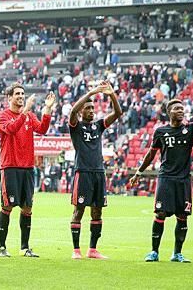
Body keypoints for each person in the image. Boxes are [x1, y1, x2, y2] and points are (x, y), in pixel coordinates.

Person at [129, 86, 193, 263]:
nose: (181, 111)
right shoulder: (161, 131)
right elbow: (151, 154)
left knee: (182, 217)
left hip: (183, 180)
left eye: (182, 108)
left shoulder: (190, 129)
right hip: (166, 178)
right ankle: (154, 252)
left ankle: (177, 253)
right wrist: (139, 172)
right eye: (177, 109)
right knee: (160, 215)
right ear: (169, 112)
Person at [0, 83, 56, 257]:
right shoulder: (2, 116)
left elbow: (42, 129)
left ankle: (24, 247)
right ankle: (1, 247)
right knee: (7, 206)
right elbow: (12, 129)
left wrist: (47, 109)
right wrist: (25, 110)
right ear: (9, 98)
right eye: (17, 94)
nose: (21, 96)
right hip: (10, 166)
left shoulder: (29, 115)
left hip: (27, 167)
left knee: (27, 208)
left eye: (22, 93)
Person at [68, 81, 122, 260]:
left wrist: (111, 94)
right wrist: (91, 92)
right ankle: (76, 250)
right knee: (79, 210)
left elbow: (118, 113)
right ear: (82, 110)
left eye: (93, 108)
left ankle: (92, 249)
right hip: (82, 172)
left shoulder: (98, 126)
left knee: (97, 211)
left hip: (99, 173)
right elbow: (73, 111)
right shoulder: (76, 126)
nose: (92, 110)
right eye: (88, 108)